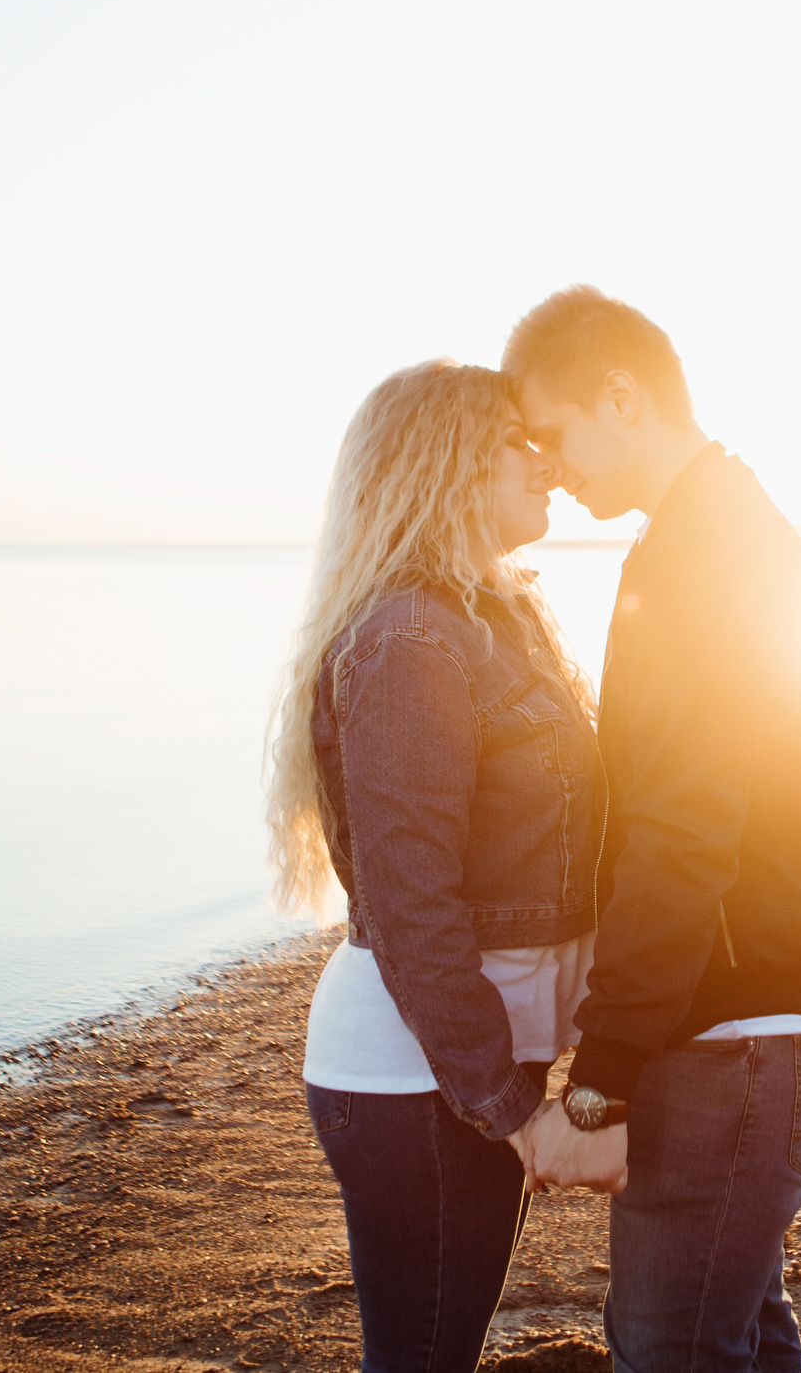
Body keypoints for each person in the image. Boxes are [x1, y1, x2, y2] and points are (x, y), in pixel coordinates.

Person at [501, 286, 801, 1372]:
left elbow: (682, 828)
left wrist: (601, 1072)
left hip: (745, 1024)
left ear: (620, 397)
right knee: (739, 1317)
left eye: (554, 432)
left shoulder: (697, 551)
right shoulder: (718, 517)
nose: (550, 465)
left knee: (671, 1344)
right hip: (779, 991)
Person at [266, 359, 610, 1373]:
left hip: (465, 1062)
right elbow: (411, 906)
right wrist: (513, 1109)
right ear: (452, 463)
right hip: (416, 1072)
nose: (547, 463)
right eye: (522, 440)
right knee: (421, 1358)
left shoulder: (493, 618)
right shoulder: (410, 637)